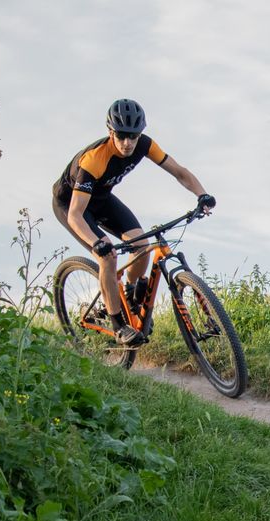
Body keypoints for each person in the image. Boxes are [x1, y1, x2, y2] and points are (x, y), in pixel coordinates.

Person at [53, 98, 216, 345]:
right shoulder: (94, 160)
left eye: (133, 136)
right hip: (71, 206)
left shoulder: (145, 145)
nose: (128, 142)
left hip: (101, 198)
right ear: (110, 132)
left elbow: (179, 172)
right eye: (121, 136)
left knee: (142, 245)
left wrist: (202, 194)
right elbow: (75, 214)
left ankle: (129, 295)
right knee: (107, 256)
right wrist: (97, 244)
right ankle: (119, 325)